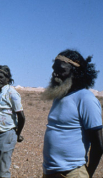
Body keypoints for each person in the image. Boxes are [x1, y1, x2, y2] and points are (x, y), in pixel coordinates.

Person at [42, 49, 103, 178]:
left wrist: (88, 174)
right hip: (50, 172)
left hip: (72, 173)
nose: (55, 74)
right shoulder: (59, 96)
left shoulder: (85, 98)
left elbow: (98, 144)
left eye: (61, 70)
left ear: (75, 73)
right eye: (54, 69)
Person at [0, 65, 25, 178]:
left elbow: (21, 116)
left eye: (1, 77)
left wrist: (17, 134)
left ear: (8, 78)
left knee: (2, 172)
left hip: (7, 134)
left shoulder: (11, 93)